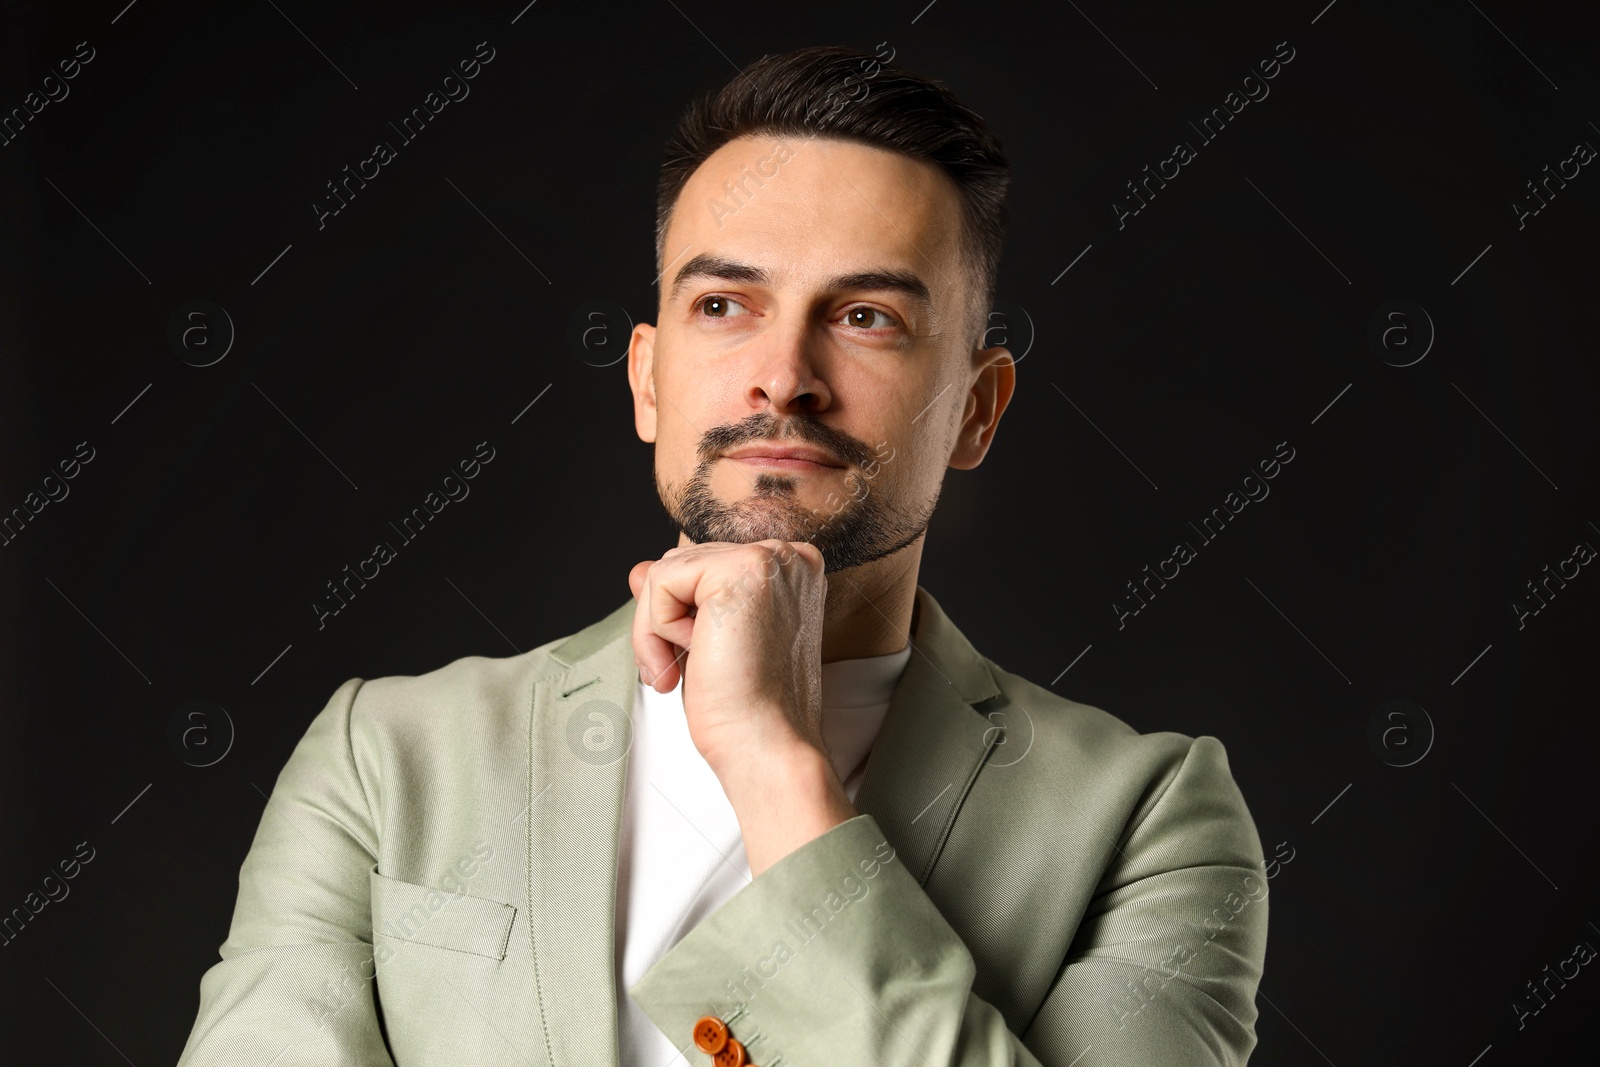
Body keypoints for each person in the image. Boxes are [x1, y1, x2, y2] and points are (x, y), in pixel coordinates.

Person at [176, 43, 1268, 1067]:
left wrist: (773, 762)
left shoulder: (1149, 819)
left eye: (868, 317)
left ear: (976, 410)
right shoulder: (385, 758)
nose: (782, 373)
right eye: (723, 304)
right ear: (648, 378)